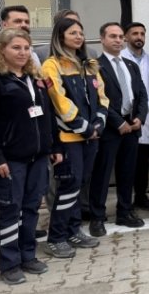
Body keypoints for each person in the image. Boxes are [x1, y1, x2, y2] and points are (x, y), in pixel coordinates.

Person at [0, 29, 62, 284]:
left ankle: (28, 255)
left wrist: (54, 146)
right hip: (10, 160)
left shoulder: (35, 78)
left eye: (26, 48)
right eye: (16, 48)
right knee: (10, 211)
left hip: (38, 158)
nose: (23, 53)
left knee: (31, 208)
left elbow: (48, 116)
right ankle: (9, 264)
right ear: (2, 50)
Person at [42, 18, 108, 258]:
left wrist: (99, 122)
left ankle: (73, 230)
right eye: (73, 33)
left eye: (81, 32)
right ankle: (56, 237)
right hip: (69, 138)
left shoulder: (89, 65)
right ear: (61, 37)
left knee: (79, 186)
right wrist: (83, 126)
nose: (79, 37)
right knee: (68, 186)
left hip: (91, 137)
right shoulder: (51, 65)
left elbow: (102, 96)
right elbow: (59, 102)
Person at [88, 23, 149, 237]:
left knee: (127, 172)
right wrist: (118, 122)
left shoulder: (131, 65)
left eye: (120, 36)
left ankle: (125, 211)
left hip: (132, 126)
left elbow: (141, 95)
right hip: (111, 128)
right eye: (112, 36)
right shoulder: (95, 66)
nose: (118, 40)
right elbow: (97, 99)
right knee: (103, 174)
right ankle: (97, 216)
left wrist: (140, 118)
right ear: (102, 39)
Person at [120, 22, 149, 211]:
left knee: (143, 160)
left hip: (145, 116)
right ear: (126, 37)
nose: (139, 37)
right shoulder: (120, 59)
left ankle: (141, 196)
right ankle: (124, 200)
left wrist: (145, 109)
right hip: (125, 117)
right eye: (134, 33)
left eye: (142, 33)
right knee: (126, 161)